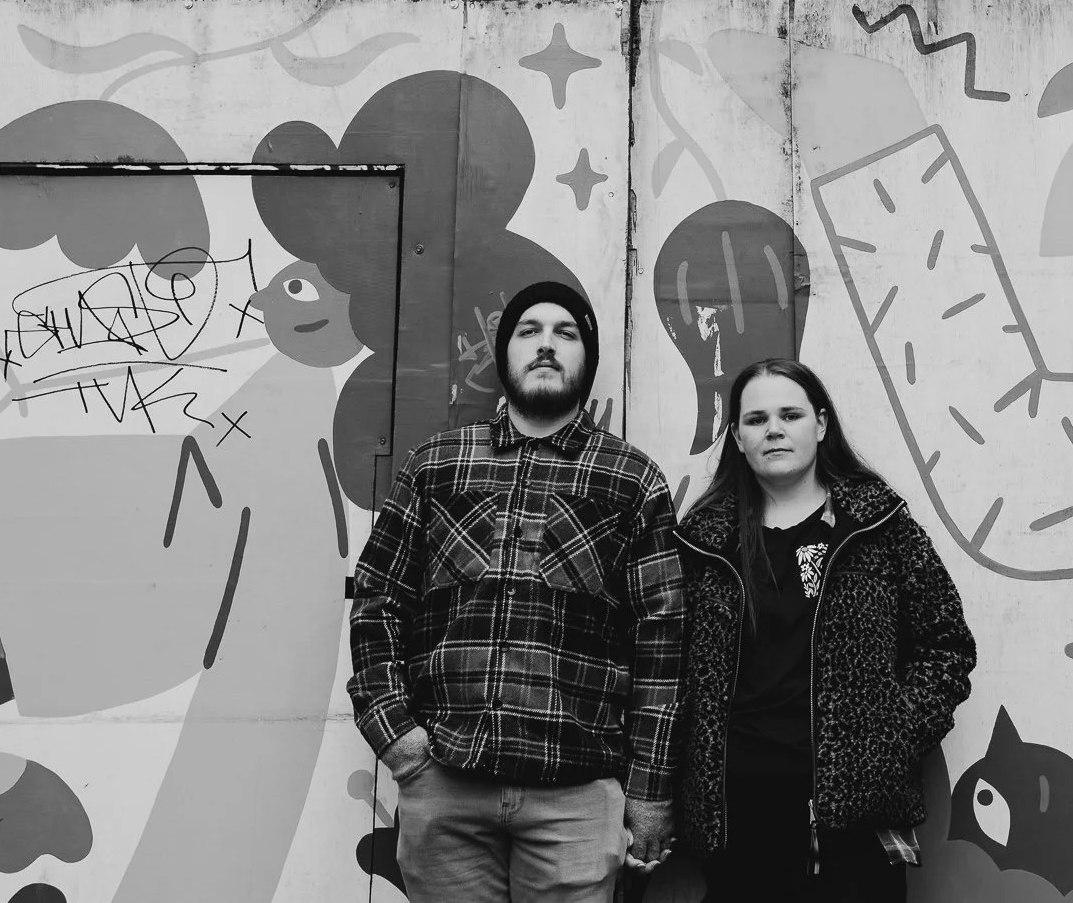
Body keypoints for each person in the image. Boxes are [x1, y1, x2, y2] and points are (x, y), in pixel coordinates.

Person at [348, 281, 684, 902]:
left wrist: (649, 788)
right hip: (446, 779)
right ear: (505, 355)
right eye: (530, 331)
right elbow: (378, 601)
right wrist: (399, 742)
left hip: (577, 796)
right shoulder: (437, 465)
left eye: (567, 333)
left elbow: (660, 642)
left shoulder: (631, 480)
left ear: (587, 358)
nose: (547, 346)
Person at [673, 358, 976, 903]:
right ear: (738, 439)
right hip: (735, 815)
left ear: (821, 424)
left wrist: (889, 739)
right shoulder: (703, 543)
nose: (773, 429)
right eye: (755, 419)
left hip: (854, 819)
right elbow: (665, 665)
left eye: (790, 414)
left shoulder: (877, 525)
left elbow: (946, 643)